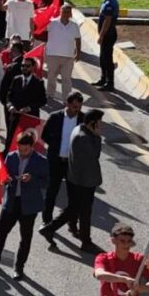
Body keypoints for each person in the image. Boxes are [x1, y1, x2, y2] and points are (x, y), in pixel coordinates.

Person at [0, 131, 48, 280]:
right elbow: (4, 174)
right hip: (11, 201)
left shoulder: (41, 161)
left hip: (29, 205)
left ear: (32, 147)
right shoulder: (11, 157)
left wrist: (32, 179)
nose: (22, 153)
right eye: (19, 149)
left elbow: (47, 182)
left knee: (25, 237)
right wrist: (6, 180)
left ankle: (19, 267)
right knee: (1, 233)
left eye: (25, 150)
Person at [39, 109, 104, 253]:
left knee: (75, 208)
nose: (102, 126)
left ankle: (49, 228)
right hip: (84, 181)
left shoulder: (79, 129)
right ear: (92, 123)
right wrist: (98, 137)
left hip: (78, 178)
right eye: (99, 123)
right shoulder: (84, 138)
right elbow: (95, 155)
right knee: (84, 211)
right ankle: (85, 242)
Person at [41, 91, 85, 227]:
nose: (76, 110)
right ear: (67, 104)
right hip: (56, 160)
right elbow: (44, 135)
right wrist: (56, 146)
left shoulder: (83, 120)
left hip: (72, 164)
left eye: (79, 107)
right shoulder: (55, 117)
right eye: (74, 107)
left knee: (74, 195)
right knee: (51, 191)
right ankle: (47, 220)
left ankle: (72, 223)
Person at [2, 57, 47, 141]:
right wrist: (10, 106)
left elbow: (43, 100)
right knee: (11, 139)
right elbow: (9, 96)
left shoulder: (39, 82)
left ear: (33, 67)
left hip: (30, 117)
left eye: (27, 66)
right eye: (23, 66)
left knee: (29, 142)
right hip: (16, 116)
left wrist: (29, 108)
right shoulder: (16, 79)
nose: (24, 68)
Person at [44, 3, 81, 102]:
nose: (65, 14)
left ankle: (67, 99)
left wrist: (78, 52)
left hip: (68, 56)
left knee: (66, 79)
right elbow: (41, 28)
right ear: (60, 12)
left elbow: (78, 39)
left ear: (70, 14)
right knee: (51, 76)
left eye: (68, 12)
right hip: (53, 55)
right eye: (64, 11)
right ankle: (50, 94)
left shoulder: (74, 26)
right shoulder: (51, 23)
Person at [94, 0, 119, 91]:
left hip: (108, 35)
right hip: (107, 35)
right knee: (103, 58)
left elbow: (107, 21)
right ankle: (103, 79)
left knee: (107, 59)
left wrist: (101, 35)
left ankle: (110, 83)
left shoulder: (109, 4)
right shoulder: (108, 2)